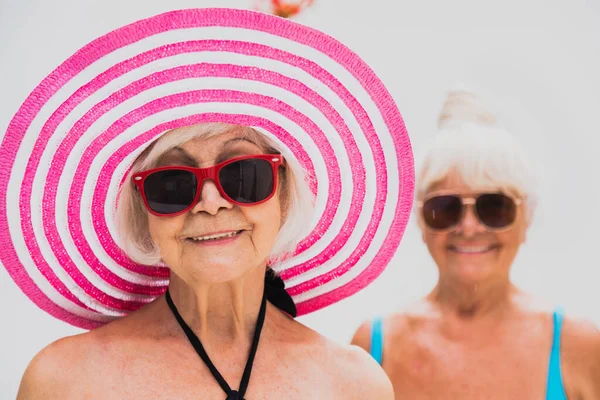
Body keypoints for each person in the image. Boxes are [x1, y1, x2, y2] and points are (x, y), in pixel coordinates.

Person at [1, 8, 415, 400]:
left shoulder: (354, 384)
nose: (210, 202)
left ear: (285, 195)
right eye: (173, 184)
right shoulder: (65, 380)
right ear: (143, 211)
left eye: (242, 174)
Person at [352, 90, 600, 399]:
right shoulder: (373, 350)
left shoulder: (579, 347)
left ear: (527, 218)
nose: (468, 227)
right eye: (445, 208)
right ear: (420, 222)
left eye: (494, 208)